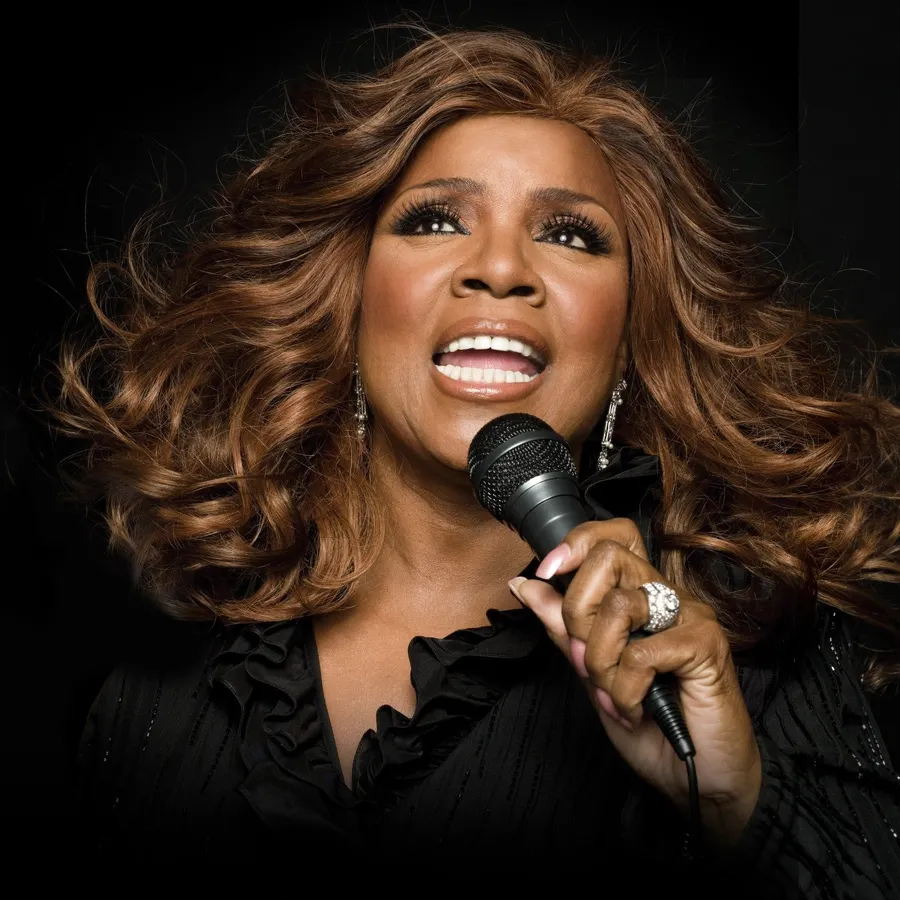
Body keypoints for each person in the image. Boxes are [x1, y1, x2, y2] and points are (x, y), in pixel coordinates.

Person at [46, 26, 899, 894]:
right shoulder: (170, 660)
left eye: (570, 235)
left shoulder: (742, 646)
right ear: (348, 299)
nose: (499, 268)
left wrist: (734, 803)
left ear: (629, 339)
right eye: (435, 220)